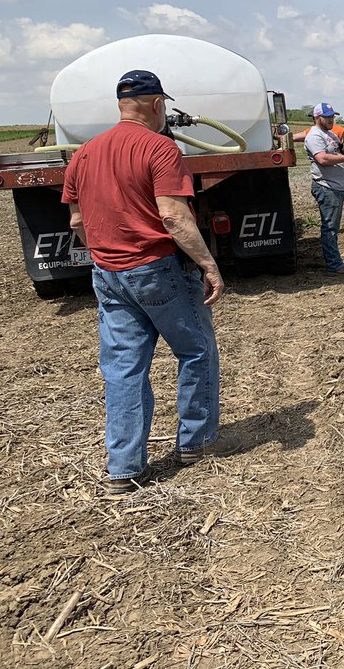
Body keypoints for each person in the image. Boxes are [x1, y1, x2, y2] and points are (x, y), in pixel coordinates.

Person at [62, 69, 229, 496]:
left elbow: (78, 221)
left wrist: (108, 253)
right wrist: (209, 264)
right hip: (157, 269)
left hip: (108, 274)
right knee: (195, 351)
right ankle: (195, 444)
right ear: (156, 104)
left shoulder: (83, 154)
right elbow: (173, 216)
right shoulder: (160, 148)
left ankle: (123, 467)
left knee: (122, 370)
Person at [305, 102, 344, 274]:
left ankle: (334, 262)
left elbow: (337, 151)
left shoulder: (329, 134)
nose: (331, 119)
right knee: (330, 227)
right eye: (327, 116)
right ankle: (334, 265)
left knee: (332, 227)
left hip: (335, 187)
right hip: (326, 187)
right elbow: (322, 159)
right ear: (317, 118)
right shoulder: (315, 136)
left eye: (332, 116)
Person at [293, 116, 344, 220]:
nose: (330, 119)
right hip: (330, 176)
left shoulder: (336, 131)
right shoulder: (315, 133)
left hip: (340, 167)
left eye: (331, 117)